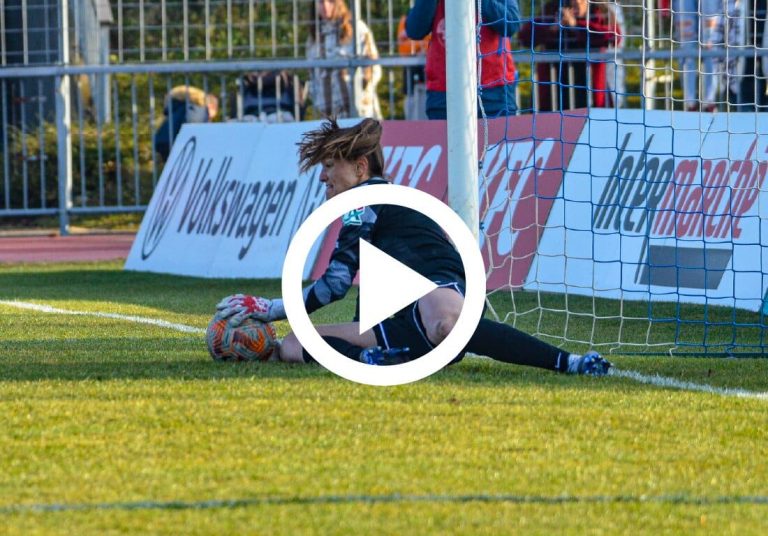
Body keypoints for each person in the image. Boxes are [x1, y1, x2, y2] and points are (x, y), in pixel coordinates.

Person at [215, 118, 611, 376]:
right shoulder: (359, 210)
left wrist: (273, 309)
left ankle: (570, 362)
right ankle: (375, 360)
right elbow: (341, 280)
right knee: (293, 344)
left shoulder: (368, 199)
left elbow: (336, 281)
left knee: (447, 322)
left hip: (437, 295)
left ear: (360, 168)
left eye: (330, 165)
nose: (323, 176)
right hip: (400, 323)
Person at [405, 0, 521, 119]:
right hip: (444, 92)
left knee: (496, 136)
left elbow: (511, 23)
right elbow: (414, 31)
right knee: (443, 137)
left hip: (494, 89)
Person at [518, 0, 621, 111]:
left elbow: (614, 36)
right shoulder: (552, 9)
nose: (576, 2)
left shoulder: (600, 10)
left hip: (591, 87)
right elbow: (524, 37)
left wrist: (576, 26)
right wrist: (553, 27)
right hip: (554, 89)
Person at [306, 0, 382, 119]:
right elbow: (311, 75)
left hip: (358, 113)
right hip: (328, 115)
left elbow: (373, 67)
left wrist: (361, 95)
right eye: (321, 2)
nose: (325, 6)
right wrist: (316, 98)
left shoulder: (356, 28)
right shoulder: (314, 36)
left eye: (330, 1)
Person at [153, 85, 219, 161]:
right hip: (182, 148)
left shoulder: (179, 108)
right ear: (211, 106)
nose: (210, 119)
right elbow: (193, 129)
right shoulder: (199, 110)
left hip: (164, 143)